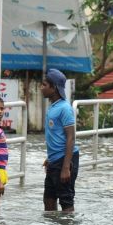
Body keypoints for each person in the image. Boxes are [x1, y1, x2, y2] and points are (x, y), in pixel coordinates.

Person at [40, 68, 78, 212]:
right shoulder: (53, 106)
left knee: (65, 200)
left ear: (53, 88)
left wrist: (66, 167)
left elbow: (71, 137)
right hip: (55, 160)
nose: (41, 88)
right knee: (48, 199)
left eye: (44, 85)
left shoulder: (65, 108)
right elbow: (56, 136)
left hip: (65, 161)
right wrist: (50, 158)